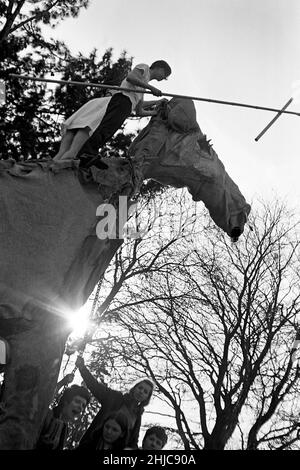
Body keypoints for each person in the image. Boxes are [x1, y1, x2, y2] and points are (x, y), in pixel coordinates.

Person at [53, 60, 172, 165]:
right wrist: (152, 89)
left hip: (127, 106)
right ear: (160, 68)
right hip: (122, 99)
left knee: (108, 130)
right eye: (165, 75)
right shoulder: (144, 68)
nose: (163, 78)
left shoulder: (143, 89)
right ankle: (86, 153)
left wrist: (156, 107)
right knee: (105, 127)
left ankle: (87, 153)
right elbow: (131, 77)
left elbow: (139, 110)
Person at [75, 355, 154, 449]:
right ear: (134, 388)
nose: (141, 392)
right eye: (140, 388)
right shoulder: (115, 397)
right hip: (92, 445)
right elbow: (95, 386)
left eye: (145, 392)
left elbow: (133, 440)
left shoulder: (137, 415)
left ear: (147, 398)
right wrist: (82, 368)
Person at [35, 384, 90, 450]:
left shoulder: (65, 430)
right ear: (65, 402)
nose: (80, 407)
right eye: (77, 401)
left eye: (83, 405)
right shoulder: (47, 416)